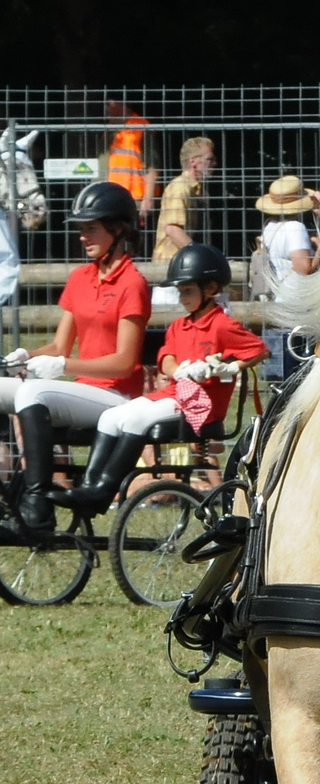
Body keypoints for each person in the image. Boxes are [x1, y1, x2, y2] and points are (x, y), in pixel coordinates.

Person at [69, 245, 268, 514]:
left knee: (136, 419)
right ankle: (90, 487)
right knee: (111, 417)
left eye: (187, 290)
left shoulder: (222, 325)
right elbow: (166, 358)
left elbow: (258, 350)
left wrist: (229, 368)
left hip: (201, 406)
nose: (181, 297)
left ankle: (104, 490)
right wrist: (180, 371)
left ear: (210, 289)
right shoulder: (179, 326)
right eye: (180, 291)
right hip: (175, 394)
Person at [0, 181, 150, 537]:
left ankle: (37, 508)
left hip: (116, 399)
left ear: (118, 228)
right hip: (82, 392)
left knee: (32, 394)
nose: (83, 236)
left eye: (90, 228)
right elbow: (58, 347)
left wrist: (65, 367)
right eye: (81, 229)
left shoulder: (133, 283)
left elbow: (124, 363)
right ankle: (9, 489)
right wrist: (23, 356)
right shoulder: (80, 277)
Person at [153, 137, 217, 266]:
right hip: (170, 266)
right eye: (209, 159)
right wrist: (200, 257)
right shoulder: (180, 187)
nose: (214, 164)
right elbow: (173, 229)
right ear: (193, 161)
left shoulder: (196, 190)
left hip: (181, 262)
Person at [255, 176, 320, 284]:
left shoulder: (269, 226)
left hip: (280, 291)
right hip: (298, 295)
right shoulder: (296, 228)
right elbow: (304, 270)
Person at [106, 101, 158, 216]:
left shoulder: (141, 128)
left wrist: (148, 199)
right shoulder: (109, 129)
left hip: (135, 199)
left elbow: (152, 166)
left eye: (109, 103)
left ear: (122, 104)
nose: (106, 107)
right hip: (110, 197)